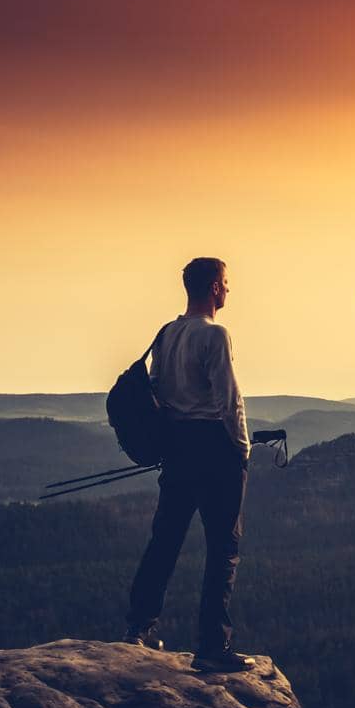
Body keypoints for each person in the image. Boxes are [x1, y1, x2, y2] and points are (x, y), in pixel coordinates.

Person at [124, 257, 256, 673]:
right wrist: (243, 449)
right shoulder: (214, 335)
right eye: (227, 284)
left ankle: (138, 629)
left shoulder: (168, 334)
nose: (229, 291)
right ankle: (213, 646)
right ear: (215, 287)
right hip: (215, 448)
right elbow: (228, 399)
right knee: (223, 549)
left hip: (177, 447)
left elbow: (159, 391)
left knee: (165, 541)